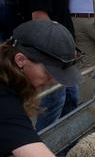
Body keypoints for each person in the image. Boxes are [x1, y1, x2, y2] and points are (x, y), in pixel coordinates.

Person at [17, 0, 78, 130]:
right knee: (53, 102)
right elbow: (39, 17)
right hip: (52, 54)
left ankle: (68, 143)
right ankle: (48, 145)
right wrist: (54, 57)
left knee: (70, 98)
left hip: (59, 53)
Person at [0, 20, 82, 157]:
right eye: (48, 73)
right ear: (20, 60)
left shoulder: (9, 80)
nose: (54, 81)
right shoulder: (4, 102)